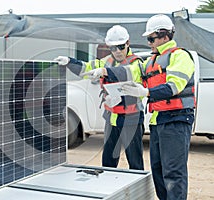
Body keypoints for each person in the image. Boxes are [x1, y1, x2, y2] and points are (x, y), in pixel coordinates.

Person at [121, 14, 195, 200]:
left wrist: (145, 93)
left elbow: (174, 87)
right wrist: (102, 71)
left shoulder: (180, 56)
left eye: (151, 39)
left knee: (173, 173)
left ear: (164, 36)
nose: (149, 43)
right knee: (158, 171)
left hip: (176, 119)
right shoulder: (151, 61)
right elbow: (129, 72)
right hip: (158, 119)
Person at [55, 25, 144, 170]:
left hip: (131, 117)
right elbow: (86, 68)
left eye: (121, 47)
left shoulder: (136, 62)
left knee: (135, 161)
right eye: (113, 48)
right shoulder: (107, 60)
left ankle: (137, 191)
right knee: (108, 160)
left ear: (128, 43)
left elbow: (126, 72)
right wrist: (70, 62)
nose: (117, 51)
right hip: (111, 116)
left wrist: (104, 71)